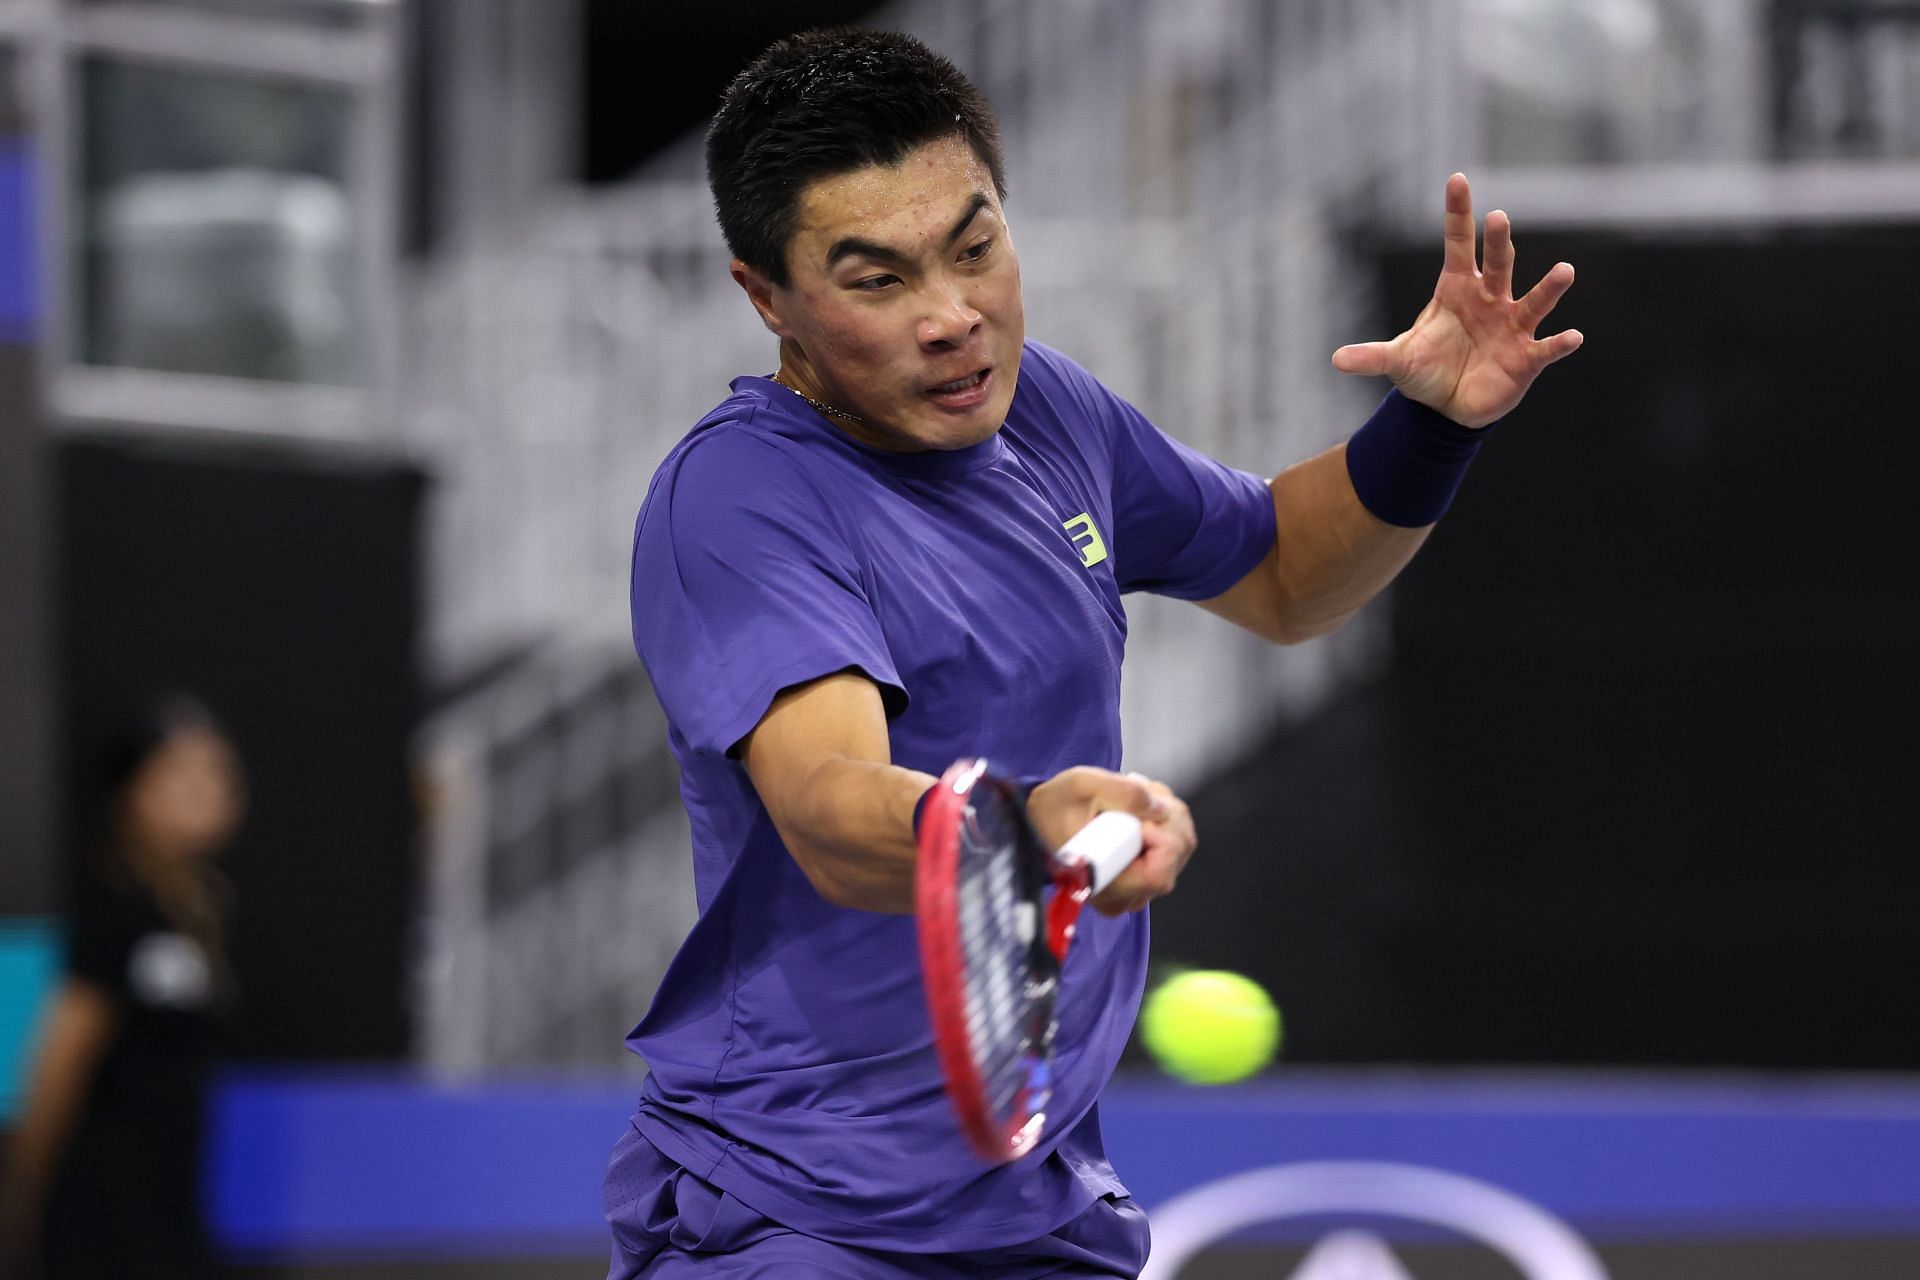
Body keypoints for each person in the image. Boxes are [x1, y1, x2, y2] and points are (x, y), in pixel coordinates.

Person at [606, 27, 1580, 1278]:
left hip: (1039, 1204)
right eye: (877, 280)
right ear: (766, 298)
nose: (954, 318)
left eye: (976, 247)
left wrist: (1429, 428)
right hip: (798, 1218)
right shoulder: (739, 498)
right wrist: (1015, 824)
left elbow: (1283, 570)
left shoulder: (1050, 412)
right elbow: (826, 804)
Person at [0, 696, 246, 1280]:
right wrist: (22, 1195)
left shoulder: (203, 910)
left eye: (218, 771)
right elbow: (65, 1052)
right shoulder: (116, 905)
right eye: (181, 772)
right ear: (134, 791)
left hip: (172, 1202)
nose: (206, 788)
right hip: (107, 1212)